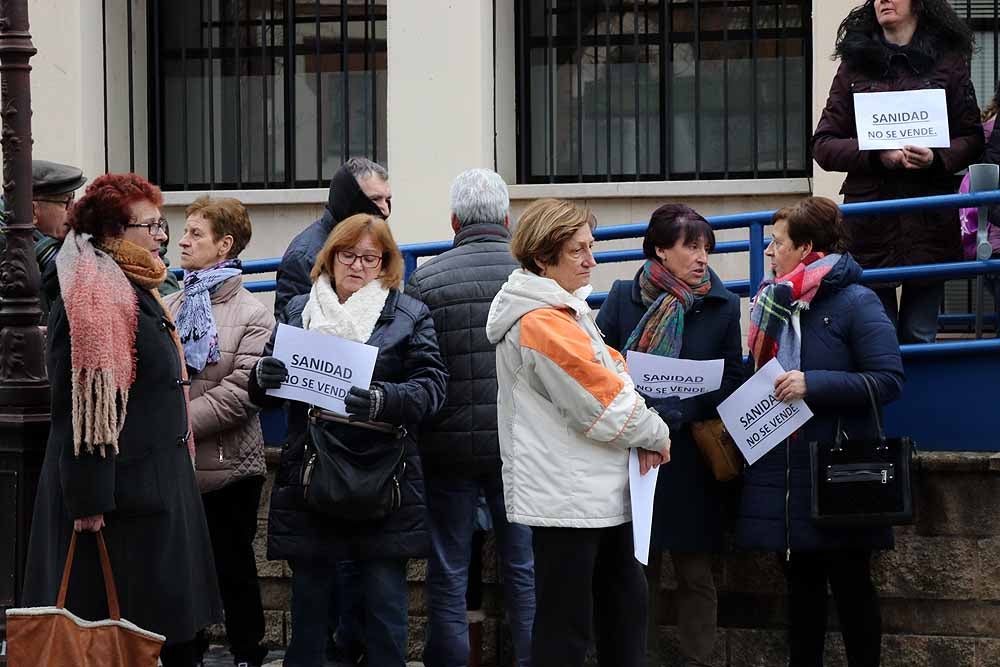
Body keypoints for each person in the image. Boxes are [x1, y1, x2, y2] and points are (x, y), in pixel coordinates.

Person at [21, 173, 222, 666]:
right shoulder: (92, 296)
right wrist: (89, 502)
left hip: (158, 492)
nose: (161, 237)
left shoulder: (136, 286)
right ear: (114, 231)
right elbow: (80, 409)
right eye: (150, 226)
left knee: (166, 639)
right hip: (118, 510)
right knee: (122, 641)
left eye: (162, 226)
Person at [249, 214, 447, 667]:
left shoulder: (408, 314)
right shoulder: (298, 311)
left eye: (369, 258)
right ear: (330, 257)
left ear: (385, 264)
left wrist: (382, 400)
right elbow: (263, 392)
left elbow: (433, 388)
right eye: (347, 255)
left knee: (385, 613)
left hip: (383, 479)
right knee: (310, 614)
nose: (357, 266)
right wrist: (264, 377)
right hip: (311, 476)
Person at [485, 197, 672, 667]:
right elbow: (606, 402)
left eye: (590, 247)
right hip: (570, 498)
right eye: (577, 251)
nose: (592, 259)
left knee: (614, 614)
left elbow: (615, 377)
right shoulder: (544, 320)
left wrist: (641, 426)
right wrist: (656, 433)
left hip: (589, 493)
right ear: (543, 256)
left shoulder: (562, 311)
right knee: (572, 629)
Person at [738, 197, 905, 667]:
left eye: (778, 243)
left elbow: (889, 379)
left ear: (806, 247)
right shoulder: (770, 301)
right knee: (801, 598)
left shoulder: (856, 301)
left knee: (853, 590)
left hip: (840, 475)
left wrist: (815, 383)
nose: (769, 253)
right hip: (785, 473)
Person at [595, 204, 744, 667]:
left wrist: (684, 408)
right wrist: (642, 414)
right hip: (635, 452)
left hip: (691, 456)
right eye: (690, 246)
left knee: (696, 574)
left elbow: (732, 378)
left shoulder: (722, 305)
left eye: (706, 247)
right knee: (639, 570)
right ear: (660, 249)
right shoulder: (623, 297)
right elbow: (601, 365)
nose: (702, 257)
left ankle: (699, 660)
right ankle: (639, 658)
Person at [405, 169, 534, 667]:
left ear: (454, 220)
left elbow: (416, 366)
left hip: (447, 448)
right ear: (506, 218)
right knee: (524, 569)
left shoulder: (427, 279)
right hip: (519, 448)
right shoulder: (531, 277)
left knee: (448, 570)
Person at [812, 0, 983, 343]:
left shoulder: (948, 62)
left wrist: (937, 157)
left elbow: (972, 137)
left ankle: (924, 399)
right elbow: (823, 144)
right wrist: (877, 155)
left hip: (929, 220)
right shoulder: (854, 65)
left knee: (921, 334)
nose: (882, 0)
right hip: (871, 224)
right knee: (879, 338)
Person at [164, 196, 275, 667]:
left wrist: (174, 421)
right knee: (177, 573)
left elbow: (242, 393)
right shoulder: (167, 304)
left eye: (195, 234)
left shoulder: (255, 314)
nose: (181, 241)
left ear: (224, 245)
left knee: (234, 570)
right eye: (183, 232)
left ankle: (248, 652)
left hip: (231, 469)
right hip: (174, 467)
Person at [274, 156, 391, 318]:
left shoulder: (378, 244)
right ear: (349, 200)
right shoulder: (304, 257)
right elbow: (293, 325)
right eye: (375, 199)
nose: (385, 210)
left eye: (387, 200)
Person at [0, 159, 87, 321]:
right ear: (32, 211)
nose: (73, 210)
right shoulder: (9, 250)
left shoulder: (64, 248)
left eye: (73, 199)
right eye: (65, 202)